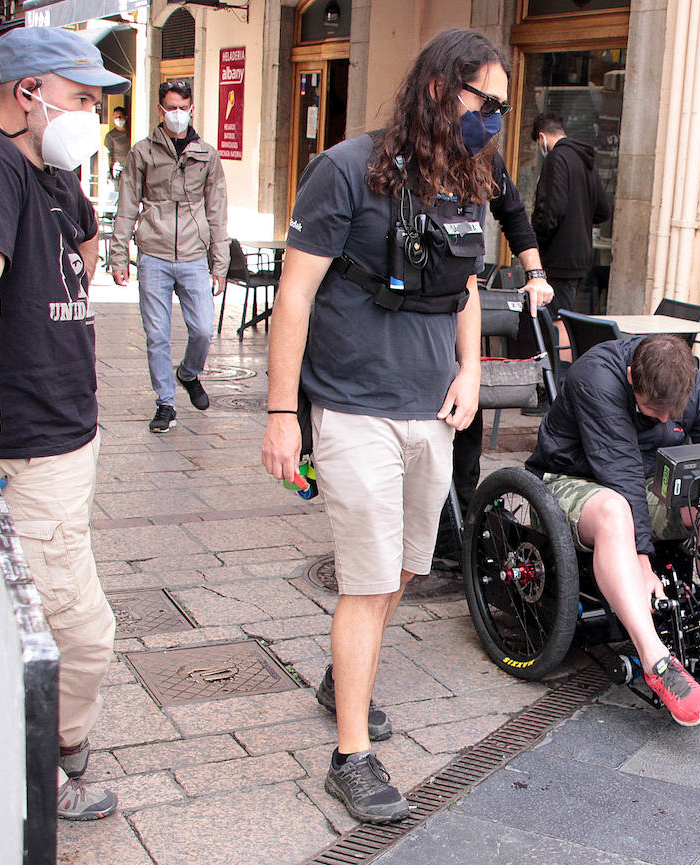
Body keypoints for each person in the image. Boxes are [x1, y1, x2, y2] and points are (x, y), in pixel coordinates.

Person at [261, 28, 497, 824]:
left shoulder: (469, 175)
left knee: (400, 571)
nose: (494, 119)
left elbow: (464, 287)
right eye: (483, 103)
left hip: (429, 410)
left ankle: (342, 680)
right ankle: (352, 755)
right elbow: (293, 296)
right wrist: (280, 414)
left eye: (500, 106)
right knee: (366, 581)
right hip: (354, 405)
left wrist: (470, 371)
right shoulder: (345, 171)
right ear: (438, 89)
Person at [0, 26, 130, 820]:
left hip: (67, 431)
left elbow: (79, 244)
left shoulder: (41, 165)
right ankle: (47, 770)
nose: (94, 115)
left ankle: (47, 758)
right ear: (28, 92)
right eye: (82, 99)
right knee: (78, 634)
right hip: (33, 440)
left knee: (50, 613)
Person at [527, 334, 700, 726]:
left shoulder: (691, 383)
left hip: (645, 481)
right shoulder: (596, 377)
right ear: (628, 376)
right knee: (615, 508)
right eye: (650, 410)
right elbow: (618, 471)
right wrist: (642, 561)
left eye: (669, 415)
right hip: (572, 479)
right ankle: (656, 659)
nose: (660, 420)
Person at [433, 153, 555, 567]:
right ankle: (431, 526)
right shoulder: (414, 149)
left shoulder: (485, 156)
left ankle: (458, 531)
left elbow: (514, 215)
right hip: (417, 312)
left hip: (461, 297)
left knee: (464, 427)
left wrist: (535, 275)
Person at [110, 81, 229, 433]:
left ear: (191, 108)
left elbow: (217, 211)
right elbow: (127, 205)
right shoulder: (142, 153)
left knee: (203, 330)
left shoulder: (206, 154)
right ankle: (165, 403)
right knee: (157, 334)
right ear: (161, 110)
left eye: (183, 107)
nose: (177, 114)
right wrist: (119, 256)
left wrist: (219, 263)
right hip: (154, 254)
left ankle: (188, 373)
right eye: (171, 107)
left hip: (194, 255)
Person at [530, 111, 611, 315]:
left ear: (542, 137)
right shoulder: (585, 160)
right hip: (580, 258)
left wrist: (534, 240)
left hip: (557, 258)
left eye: (539, 144)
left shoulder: (556, 158)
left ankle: (560, 349)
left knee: (554, 323)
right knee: (565, 317)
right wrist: (580, 218)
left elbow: (551, 212)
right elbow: (603, 210)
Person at [103, 106, 129, 179]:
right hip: (119, 172)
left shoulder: (131, 132)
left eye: (120, 116)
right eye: (115, 117)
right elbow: (107, 154)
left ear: (126, 117)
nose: (118, 119)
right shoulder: (111, 136)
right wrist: (107, 172)